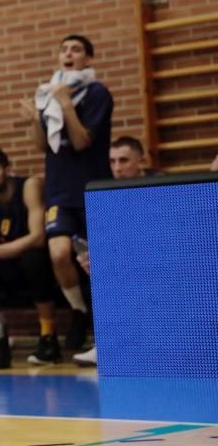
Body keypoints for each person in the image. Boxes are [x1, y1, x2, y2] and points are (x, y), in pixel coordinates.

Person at [21, 34, 112, 352]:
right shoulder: (48, 93)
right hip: (59, 191)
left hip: (92, 189)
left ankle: (107, 329)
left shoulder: (97, 93)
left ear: (88, 59)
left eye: (76, 50)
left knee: (97, 262)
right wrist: (36, 119)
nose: (68, 54)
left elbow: (82, 140)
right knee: (58, 252)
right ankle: (79, 312)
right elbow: (42, 145)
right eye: (63, 49)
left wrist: (64, 105)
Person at [0, 149, 60, 364]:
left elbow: (37, 238)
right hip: (5, 260)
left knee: (33, 258)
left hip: (33, 258)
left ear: (7, 170)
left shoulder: (29, 186)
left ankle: (48, 337)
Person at [72, 135, 148, 367]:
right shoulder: (108, 194)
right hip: (128, 263)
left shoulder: (159, 187)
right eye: (113, 161)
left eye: (123, 161)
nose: (117, 168)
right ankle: (107, 344)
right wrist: (93, 260)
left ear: (141, 162)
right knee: (101, 272)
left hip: (162, 263)